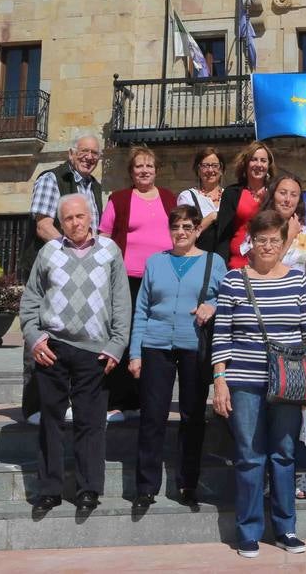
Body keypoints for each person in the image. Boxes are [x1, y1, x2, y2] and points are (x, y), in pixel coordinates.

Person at [211, 209, 306, 559]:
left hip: (289, 384)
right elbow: (221, 336)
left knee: (284, 455)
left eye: (275, 239)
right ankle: (248, 530)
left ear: (282, 242)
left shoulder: (296, 280)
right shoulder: (232, 280)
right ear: (251, 243)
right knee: (248, 457)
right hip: (244, 382)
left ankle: (286, 528)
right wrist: (220, 380)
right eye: (262, 240)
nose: (268, 246)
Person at [19, 194, 130, 515]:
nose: (75, 223)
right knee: (50, 422)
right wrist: (34, 339)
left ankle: (88, 490)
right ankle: (49, 490)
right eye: (68, 218)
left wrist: (117, 344)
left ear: (91, 217)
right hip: (52, 348)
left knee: (91, 423)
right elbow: (30, 301)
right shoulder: (48, 252)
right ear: (60, 222)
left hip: (95, 352)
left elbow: (121, 303)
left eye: (80, 216)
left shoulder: (110, 251)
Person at [128, 205, 227, 507]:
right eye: (176, 227)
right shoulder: (156, 262)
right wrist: (135, 353)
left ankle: (188, 484)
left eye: (187, 227)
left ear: (198, 230)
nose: (181, 232)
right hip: (155, 345)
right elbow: (142, 308)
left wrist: (214, 307)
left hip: (194, 346)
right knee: (152, 418)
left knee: (192, 416)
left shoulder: (214, 262)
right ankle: (146, 486)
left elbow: (229, 300)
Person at [248, 173, 306, 499]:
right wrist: (287, 238)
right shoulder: (261, 230)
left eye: (293, 194)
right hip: (261, 329)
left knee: (300, 400)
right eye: (282, 193)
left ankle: (300, 472)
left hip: (296, 329)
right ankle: (270, 472)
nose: (287, 199)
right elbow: (256, 264)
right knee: (265, 401)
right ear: (274, 195)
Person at [23, 132, 105, 422]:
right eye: (84, 151)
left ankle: (65, 401)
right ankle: (35, 406)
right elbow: (44, 226)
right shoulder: (51, 179)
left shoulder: (94, 187)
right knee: (43, 332)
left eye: (95, 153)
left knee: (72, 338)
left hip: (83, 273)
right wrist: (72, 255)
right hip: (52, 271)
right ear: (71, 154)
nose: (89, 157)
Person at [98, 145, 176, 414]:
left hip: (161, 281)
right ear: (131, 172)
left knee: (153, 339)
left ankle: (147, 398)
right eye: (139, 166)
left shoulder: (168, 198)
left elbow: (181, 234)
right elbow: (104, 237)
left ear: (156, 171)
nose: (144, 170)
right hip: (126, 280)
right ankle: (119, 401)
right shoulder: (119, 199)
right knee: (125, 335)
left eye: (149, 166)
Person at [198, 140, 275, 270]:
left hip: (269, 263)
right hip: (237, 264)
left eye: (263, 160)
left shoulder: (274, 193)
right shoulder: (232, 193)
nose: (258, 164)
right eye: (254, 159)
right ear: (245, 164)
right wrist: (220, 267)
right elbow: (223, 234)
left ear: (268, 165)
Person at [177, 145, 225, 242]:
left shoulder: (229, 195)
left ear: (221, 169)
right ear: (198, 170)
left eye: (215, 165)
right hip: (200, 255)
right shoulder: (187, 197)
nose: (210, 170)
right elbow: (186, 233)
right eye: (205, 166)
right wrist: (211, 217)